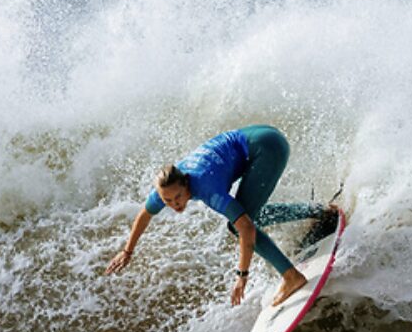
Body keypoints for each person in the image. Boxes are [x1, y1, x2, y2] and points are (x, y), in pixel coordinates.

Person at [104, 125, 330, 306]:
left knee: (239, 225)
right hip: (261, 135)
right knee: (248, 215)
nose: (175, 204)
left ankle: (292, 277)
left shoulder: (206, 187)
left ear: (186, 184)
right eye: (168, 201)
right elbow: (144, 215)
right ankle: (318, 210)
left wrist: (242, 276)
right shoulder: (166, 187)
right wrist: (127, 251)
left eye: (179, 197)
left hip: (268, 148)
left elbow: (246, 229)